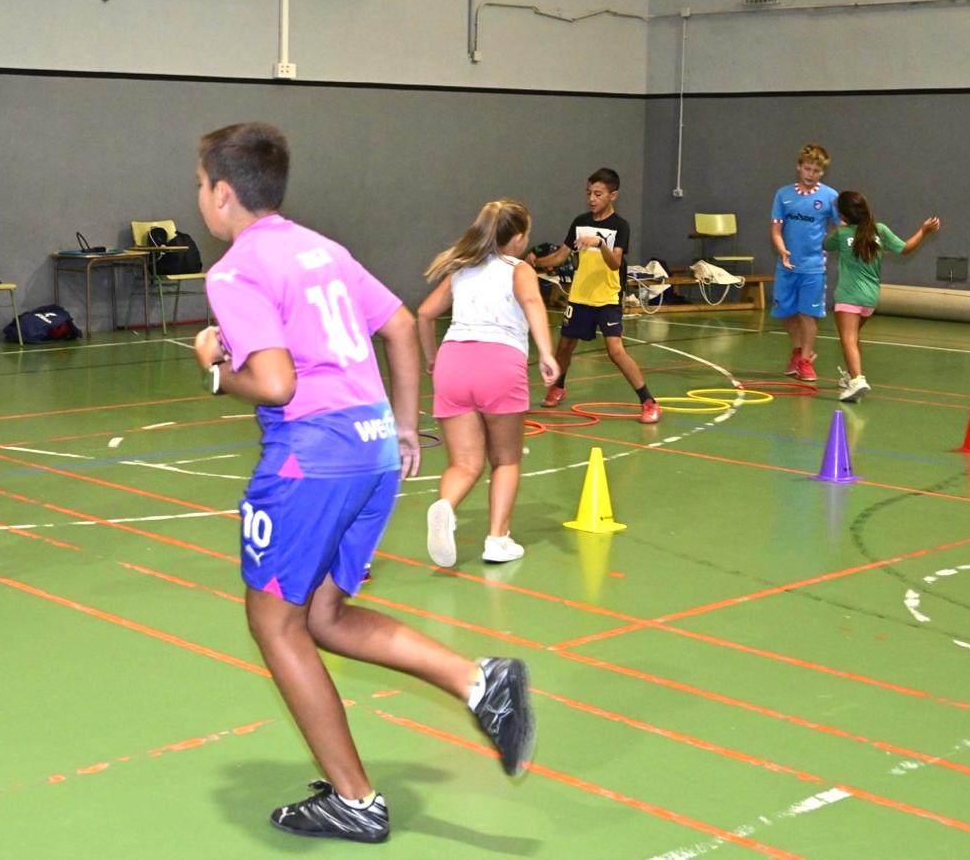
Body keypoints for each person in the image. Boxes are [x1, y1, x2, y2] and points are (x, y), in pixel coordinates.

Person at [191, 122, 535, 844]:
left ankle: (354, 800)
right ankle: (480, 681)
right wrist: (406, 429)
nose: (199, 195)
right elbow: (401, 327)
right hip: (373, 449)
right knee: (323, 617)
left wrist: (217, 371)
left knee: (273, 624)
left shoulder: (233, 271)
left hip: (309, 461)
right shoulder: (323, 249)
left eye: (199, 184)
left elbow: (276, 382)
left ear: (222, 193)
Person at [416, 200, 559, 567]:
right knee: (506, 460)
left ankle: (446, 505)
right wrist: (546, 352)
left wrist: (431, 359)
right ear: (519, 238)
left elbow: (425, 314)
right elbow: (532, 302)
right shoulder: (519, 268)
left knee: (464, 463)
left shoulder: (461, 269)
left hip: (453, 362)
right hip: (499, 363)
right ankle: (497, 540)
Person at [531, 167, 660, 424]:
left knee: (615, 350)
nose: (591, 198)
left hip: (607, 298)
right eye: (588, 193)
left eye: (598, 194)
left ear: (613, 196)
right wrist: (534, 264)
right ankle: (558, 387)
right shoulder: (579, 222)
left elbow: (615, 263)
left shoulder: (620, 226)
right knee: (565, 345)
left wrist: (600, 243)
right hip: (580, 296)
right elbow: (560, 256)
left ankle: (648, 401)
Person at [825, 191, 940, 402]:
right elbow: (905, 248)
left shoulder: (841, 233)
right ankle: (851, 375)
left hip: (849, 295)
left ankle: (857, 380)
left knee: (848, 339)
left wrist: (839, 227)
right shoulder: (880, 230)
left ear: (843, 215)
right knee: (854, 337)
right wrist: (924, 230)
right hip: (870, 299)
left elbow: (825, 245)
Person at [770, 143, 840, 382]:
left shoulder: (830, 197)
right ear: (799, 167)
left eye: (816, 171)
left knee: (807, 314)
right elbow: (776, 229)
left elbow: (841, 227)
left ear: (823, 172)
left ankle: (806, 360)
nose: (811, 174)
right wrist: (782, 250)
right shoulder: (783, 195)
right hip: (787, 265)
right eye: (807, 169)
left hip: (814, 267)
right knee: (786, 313)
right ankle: (798, 350)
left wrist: (831, 243)